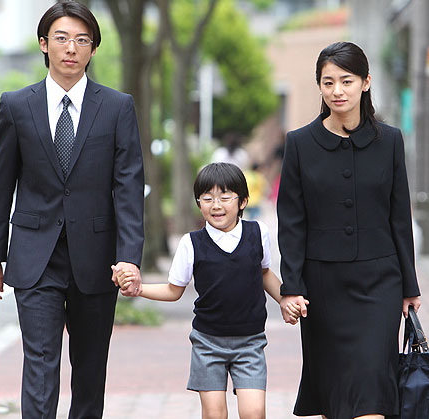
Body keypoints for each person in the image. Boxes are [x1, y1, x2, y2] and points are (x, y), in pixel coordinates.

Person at [0, 2, 144, 418]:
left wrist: (129, 257)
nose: (71, 48)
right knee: (40, 365)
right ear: (43, 44)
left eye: (82, 40)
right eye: (62, 38)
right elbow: (1, 187)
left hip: (97, 258)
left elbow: (127, 187)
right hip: (36, 257)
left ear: (92, 49)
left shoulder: (118, 106)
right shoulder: (16, 106)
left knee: (89, 372)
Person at [276, 41, 421, 419]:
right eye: (328, 82)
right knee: (336, 397)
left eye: (346, 81)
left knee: (372, 386)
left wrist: (410, 286)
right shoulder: (299, 144)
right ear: (320, 87)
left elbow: (399, 217)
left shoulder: (389, 141)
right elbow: (291, 222)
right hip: (323, 285)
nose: (337, 91)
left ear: (366, 82)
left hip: (380, 283)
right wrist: (291, 286)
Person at [117, 162, 301, 419]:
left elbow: (264, 273)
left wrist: (286, 299)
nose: (216, 205)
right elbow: (173, 290)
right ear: (198, 203)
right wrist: (139, 289)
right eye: (207, 198)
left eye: (225, 197)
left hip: (250, 341)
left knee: (254, 412)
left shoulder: (258, 233)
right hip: (207, 343)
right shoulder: (190, 244)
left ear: (243, 201)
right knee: (214, 414)